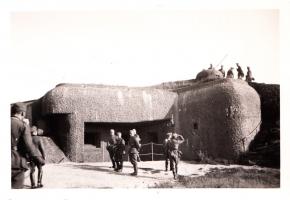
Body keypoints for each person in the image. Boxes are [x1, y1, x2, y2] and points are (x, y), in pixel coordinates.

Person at [11, 103, 39, 189]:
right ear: (22, 113)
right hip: (15, 161)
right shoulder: (22, 125)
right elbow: (28, 145)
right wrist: (37, 158)